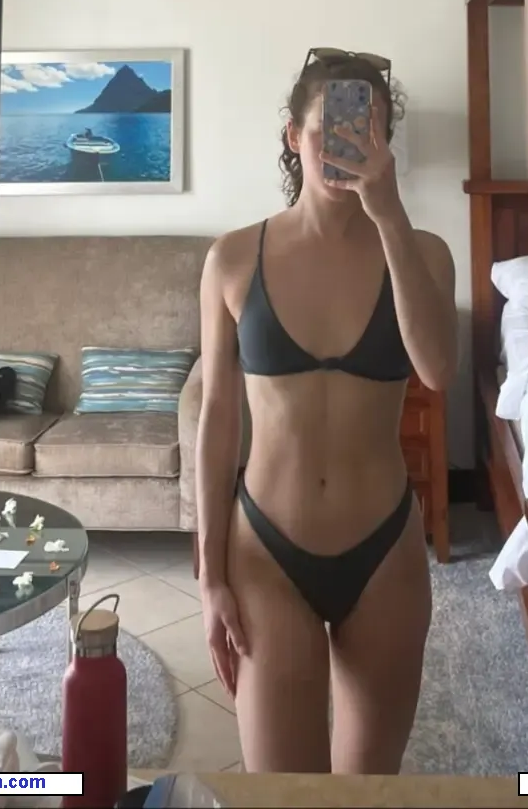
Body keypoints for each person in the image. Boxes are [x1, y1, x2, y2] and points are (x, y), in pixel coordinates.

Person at [195, 48, 458, 773]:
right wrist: (210, 573)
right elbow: (218, 421)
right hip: (265, 554)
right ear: (293, 135)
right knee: (283, 791)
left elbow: (437, 370)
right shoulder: (232, 258)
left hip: (384, 553)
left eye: (367, 131)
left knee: (366, 790)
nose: (345, 145)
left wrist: (390, 212)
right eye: (328, 130)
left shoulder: (425, 253)